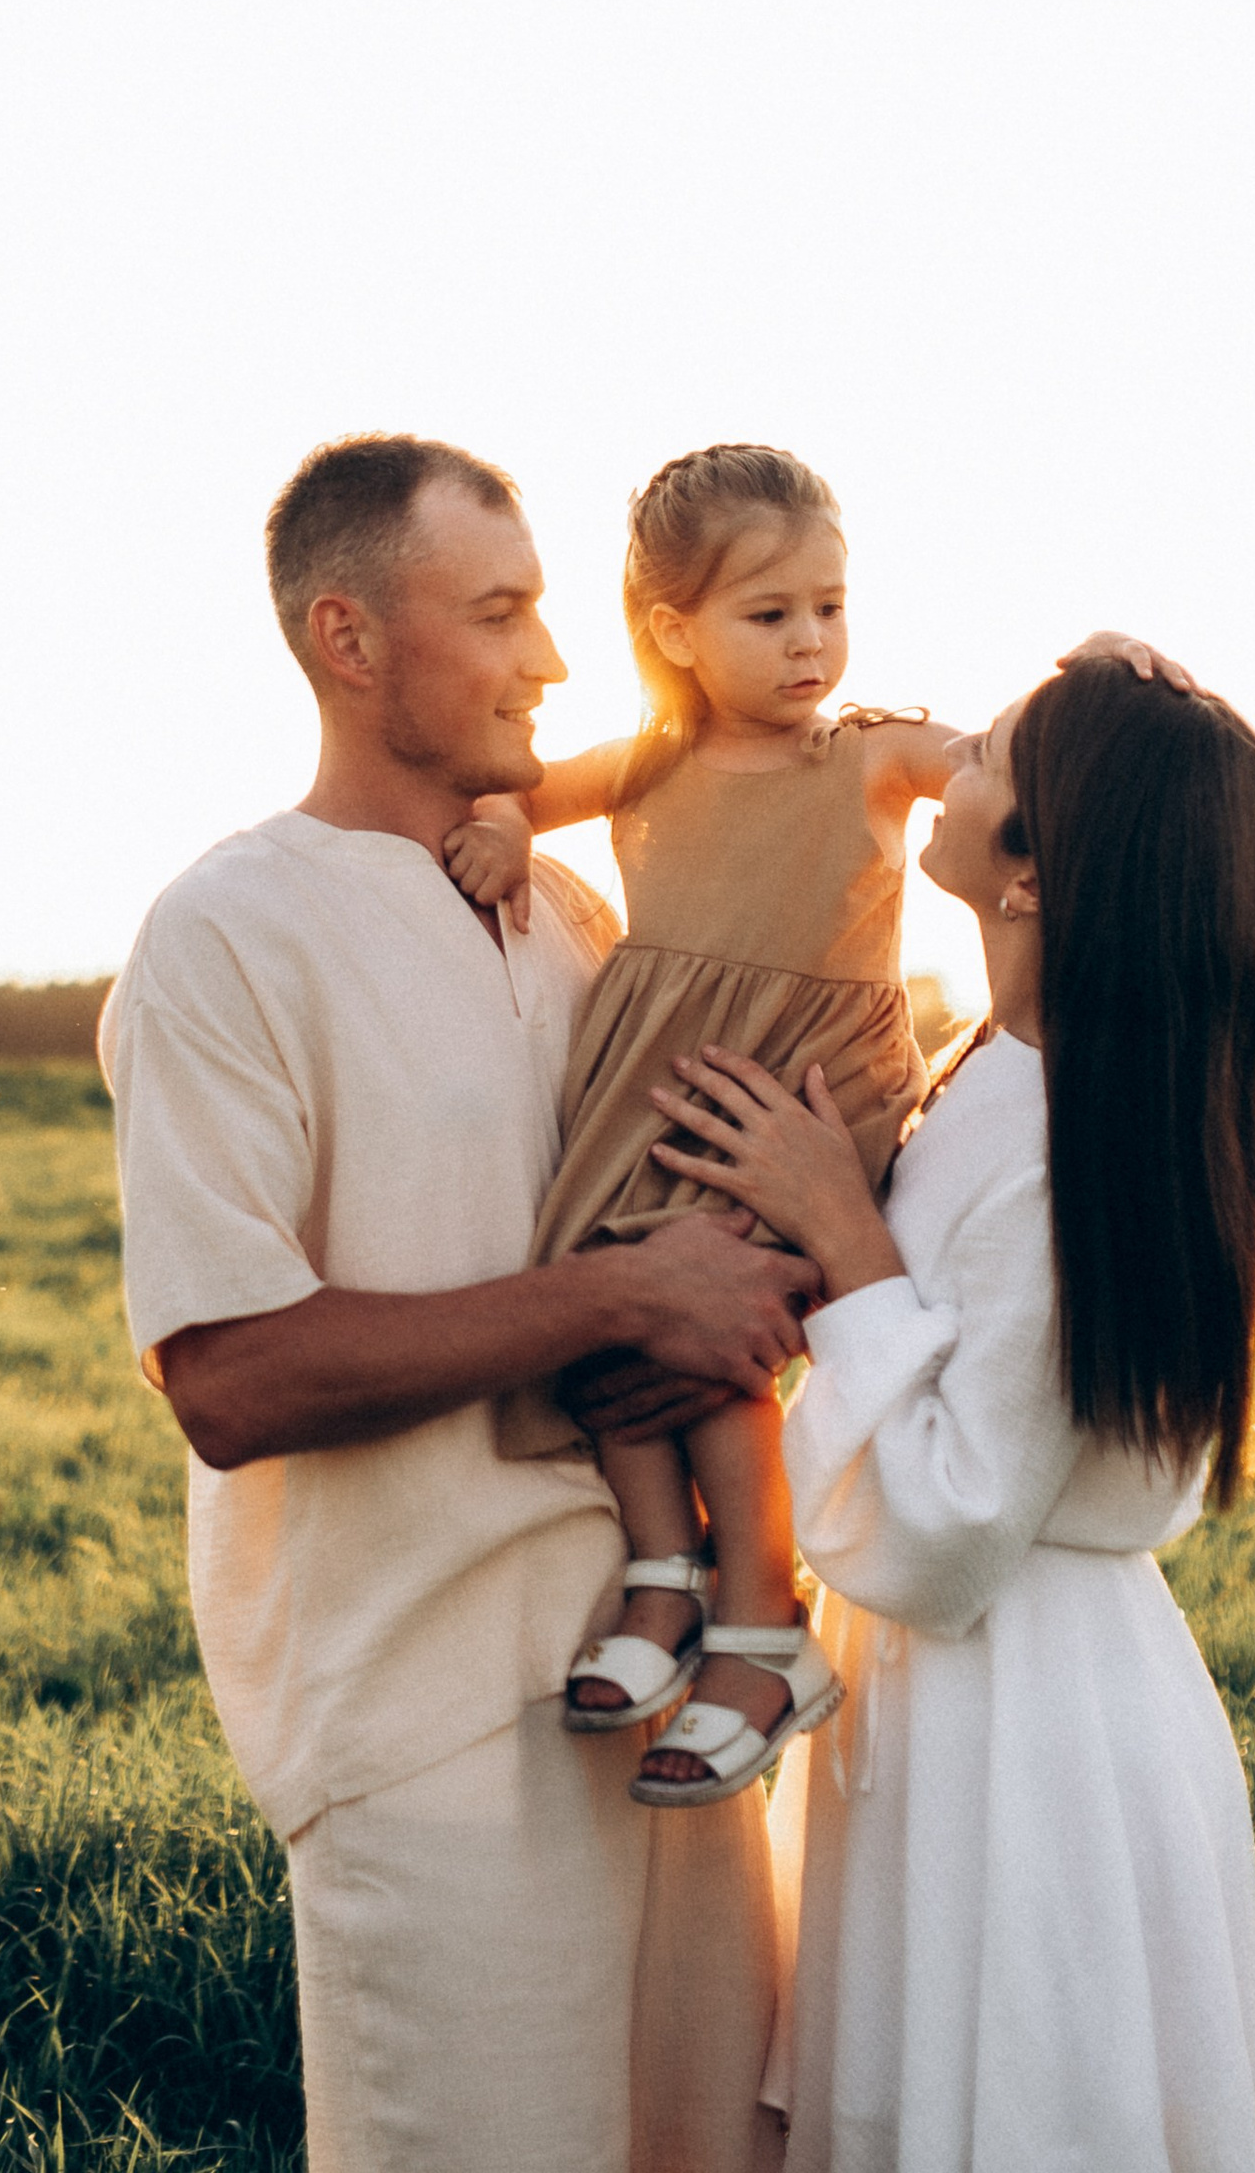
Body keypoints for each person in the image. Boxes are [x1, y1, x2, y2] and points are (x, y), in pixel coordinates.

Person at [98, 434, 819, 2173]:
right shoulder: (223, 935)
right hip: (426, 1729)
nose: (554, 662)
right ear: (349, 640)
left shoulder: (576, 910)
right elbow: (229, 1376)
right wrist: (619, 1294)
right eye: (498, 614)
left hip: (676, 1706)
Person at [654, 649, 1255, 2173]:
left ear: (1033, 871)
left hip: (1024, 1725)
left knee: (1017, 2108)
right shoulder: (1003, 1070)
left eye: (992, 754)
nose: (947, 763)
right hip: (977, 1695)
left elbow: (949, 1525)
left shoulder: (1069, 1131)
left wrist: (844, 1232)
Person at [442, 443, 956, 1805]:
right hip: (661, 1079)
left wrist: (1102, 671)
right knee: (607, 1293)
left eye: (830, 608)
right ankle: (662, 1570)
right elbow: (507, 786)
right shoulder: (653, 762)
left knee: (719, 1331)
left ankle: (759, 1614)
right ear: (674, 632)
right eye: (770, 614)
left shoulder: (872, 755)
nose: (812, 643)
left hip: (802, 1092)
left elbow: (1009, 766)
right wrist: (499, 827)